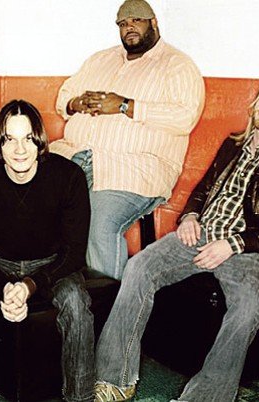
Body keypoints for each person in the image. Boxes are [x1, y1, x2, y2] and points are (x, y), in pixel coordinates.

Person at [94, 75, 259, 401]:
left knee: (248, 306)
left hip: (248, 251)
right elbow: (204, 190)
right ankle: (115, 379)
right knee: (139, 267)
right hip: (202, 233)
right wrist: (190, 216)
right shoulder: (233, 145)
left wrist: (233, 244)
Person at [0, 100, 94, 402]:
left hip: (51, 263)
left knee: (76, 301)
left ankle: (80, 398)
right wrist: (4, 285)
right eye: (10, 139)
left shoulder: (69, 176)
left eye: (28, 138)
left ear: (40, 141)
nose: (20, 149)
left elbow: (74, 252)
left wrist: (28, 285)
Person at [50, 0, 205, 280]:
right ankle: (41, 291)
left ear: (154, 22)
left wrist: (125, 106)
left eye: (136, 21)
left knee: (99, 223)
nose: (129, 27)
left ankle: (106, 304)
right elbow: (64, 97)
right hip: (75, 155)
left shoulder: (177, 65)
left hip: (134, 169)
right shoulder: (100, 60)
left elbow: (185, 117)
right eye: (123, 23)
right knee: (27, 198)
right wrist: (77, 102)